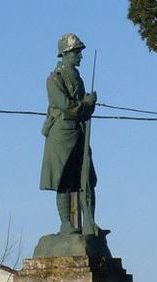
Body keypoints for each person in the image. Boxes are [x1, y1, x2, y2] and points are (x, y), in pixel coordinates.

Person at [39, 33, 97, 234]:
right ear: (66, 54)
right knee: (63, 181)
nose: (80, 56)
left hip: (79, 133)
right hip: (62, 134)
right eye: (76, 52)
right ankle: (66, 224)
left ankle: (90, 223)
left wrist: (90, 104)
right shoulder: (54, 79)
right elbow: (65, 105)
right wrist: (84, 104)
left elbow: (82, 111)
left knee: (86, 178)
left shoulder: (78, 79)